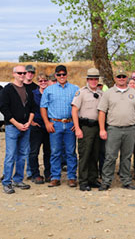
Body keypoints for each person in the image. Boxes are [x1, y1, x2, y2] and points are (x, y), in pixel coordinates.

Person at [98, 69, 135, 191]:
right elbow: (102, 111)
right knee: (110, 156)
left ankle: (126, 180)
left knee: (126, 157)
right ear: (115, 78)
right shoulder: (108, 93)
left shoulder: (134, 93)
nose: (122, 78)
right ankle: (106, 181)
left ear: (127, 78)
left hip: (130, 129)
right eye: (119, 76)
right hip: (113, 129)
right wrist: (102, 129)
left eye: (124, 76)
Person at [40, 65, 80, 187]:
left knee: (71, 152)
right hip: (55, 124)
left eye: (63, 74)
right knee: (55, 152)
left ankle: (72, 177)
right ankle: (55, 177)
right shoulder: (49, 90)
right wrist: (47, 122)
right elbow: (43, 107)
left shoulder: (75, 89)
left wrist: (77, 124)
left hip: (69, 124)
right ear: (55, 76)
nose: (61, 76)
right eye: (59, 75)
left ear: (67, 75)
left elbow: (79, 107)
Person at [0, 65, 37, 194]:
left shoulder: (28, 90)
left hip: (26, 127)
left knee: (22, 155)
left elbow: (33, 108)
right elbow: (4, 108)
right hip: (12, 127)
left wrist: (28, 122)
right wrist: (16, 124)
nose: (22, 75)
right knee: (10, 155)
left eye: (24, 73)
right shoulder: (7, 89)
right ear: (14, 74)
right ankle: (7, 182)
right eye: (19, 73)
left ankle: (18, 180)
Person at [71, 68, 104, 191]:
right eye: (91, 79)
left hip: (97, 127)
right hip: (85, 127)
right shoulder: (81, 93)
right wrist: (78, 128)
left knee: (95, 154)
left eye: (96, 79)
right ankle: (83, 181)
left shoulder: (101, 93)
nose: (93, 81)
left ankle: (93, 179)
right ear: (87, 80)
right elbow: (74, 110)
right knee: (85, 154)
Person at [29, 73, 51, 184]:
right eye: (40, 81)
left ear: (48, 81)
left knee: (48, 152)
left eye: (45, 81)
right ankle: (35, 174)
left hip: (48, 126)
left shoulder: (51, 93)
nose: (43, 83)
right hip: (36, 126)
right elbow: (27, 108)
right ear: (38, 82)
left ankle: (48, 174)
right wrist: (31, 122)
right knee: (34, 152)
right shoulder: (33, 94)